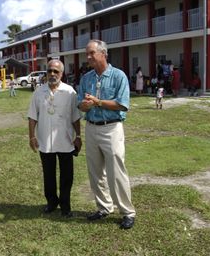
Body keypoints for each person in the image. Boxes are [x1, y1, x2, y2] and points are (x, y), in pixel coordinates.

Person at [77, 39, 136, 229]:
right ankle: (104, 207)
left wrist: (98, 102)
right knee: (95, 172)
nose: (88, 57)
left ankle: (127, 212)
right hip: (91, 127)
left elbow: (122, 103)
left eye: (91, 53)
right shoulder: (86, 78)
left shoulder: (118, 76)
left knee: (116, 173)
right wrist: (84, 105)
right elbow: (80, 102)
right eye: (87, 53)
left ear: (103, 53)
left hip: (111, 128)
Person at [27, 59, 82, 218]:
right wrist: (32, 136)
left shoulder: (70, 91)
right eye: (49, 71)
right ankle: (51, 203)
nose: (52, 74)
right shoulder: (39, 91)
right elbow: (32, 116)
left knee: (67, 176)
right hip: (45, 141)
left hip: (65, 141)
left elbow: (75, 116)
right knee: (48, 175)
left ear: (61, 74)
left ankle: (65, 206)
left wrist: (78, 136)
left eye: (55, 71)